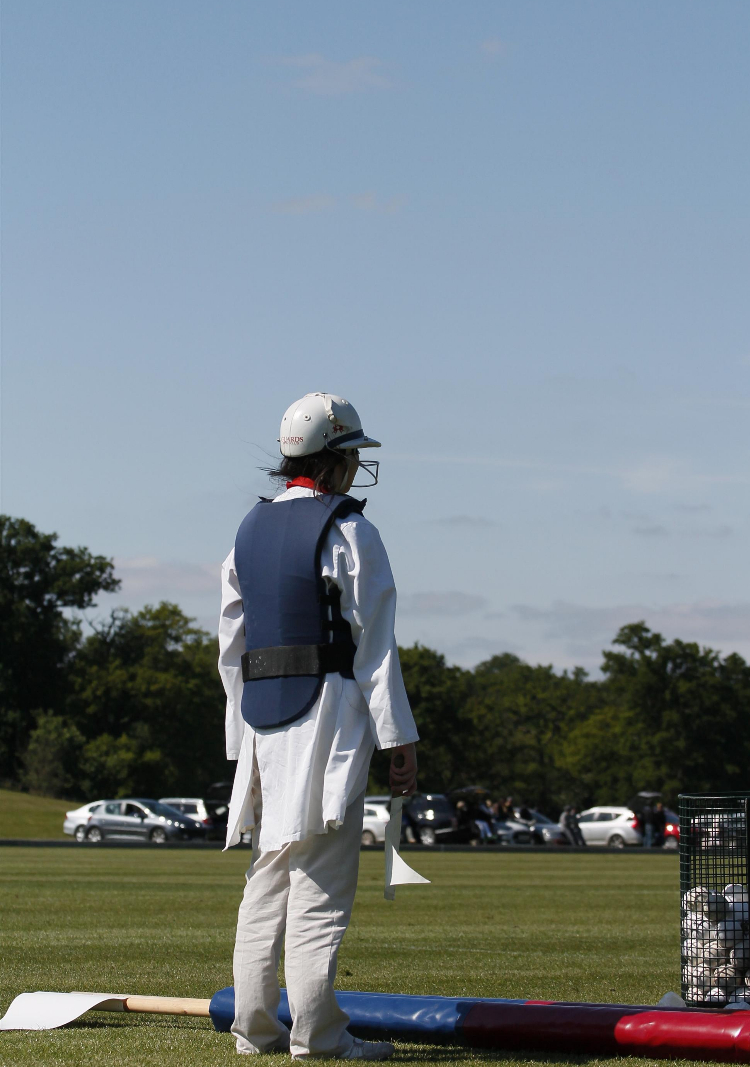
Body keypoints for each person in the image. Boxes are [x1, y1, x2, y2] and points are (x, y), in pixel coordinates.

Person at [218, 393, 419, 1061]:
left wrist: (235, 735)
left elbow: (231, 646)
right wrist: (399, 738)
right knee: (320, 882)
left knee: (267, 874)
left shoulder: (244, 531)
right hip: (327, 717)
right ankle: (319, 1036)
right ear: (335, 460)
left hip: (262, 721)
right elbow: (375, 645)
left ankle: (253, 1029)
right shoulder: (351, 530)